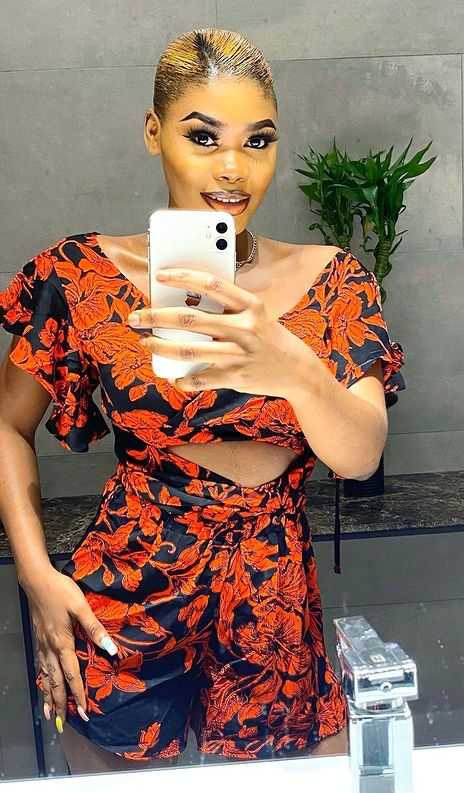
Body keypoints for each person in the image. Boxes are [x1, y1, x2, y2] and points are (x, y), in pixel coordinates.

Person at [0, 27, 406, 774]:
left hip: (275, 594)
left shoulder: (334, 281)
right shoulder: (80, 274)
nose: (232, 168)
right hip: (128, 589)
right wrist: (36, 574)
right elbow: (7, 424)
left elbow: (359, 456)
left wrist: (292, 367)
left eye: (258, 141)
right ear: (153, 133)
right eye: (203, 136)